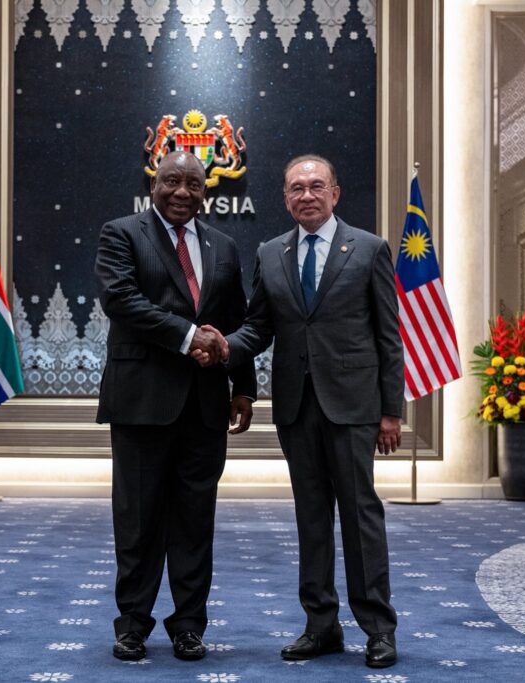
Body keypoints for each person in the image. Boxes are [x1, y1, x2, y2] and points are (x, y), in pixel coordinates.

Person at [194, 154, 404, 668]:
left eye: (316, 186)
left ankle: (378, 628)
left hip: (353, 407)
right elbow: (259, 327)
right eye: (296, 188)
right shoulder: (271, 253)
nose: (306, 195)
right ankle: (321, 625)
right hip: (296, 407)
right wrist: (225, 348)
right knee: (311, 518)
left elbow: (388, 336)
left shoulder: (369, 248)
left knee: (360, 516)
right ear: (285, 198)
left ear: (335, 193)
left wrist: (390, 412)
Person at [94, 150, 256, 662]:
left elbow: (235, 320)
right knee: (138, 520)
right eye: (171, 181)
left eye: (193, 183)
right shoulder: (121, 234)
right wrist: (189, 336)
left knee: (194, 521)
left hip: (205, 406)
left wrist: (244, 387)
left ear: (205, 191)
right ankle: (132, 626)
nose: (182, 192)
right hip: (141, 401)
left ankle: (189, 626)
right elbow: (121, 300)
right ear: (154, 183)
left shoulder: (224, 245)